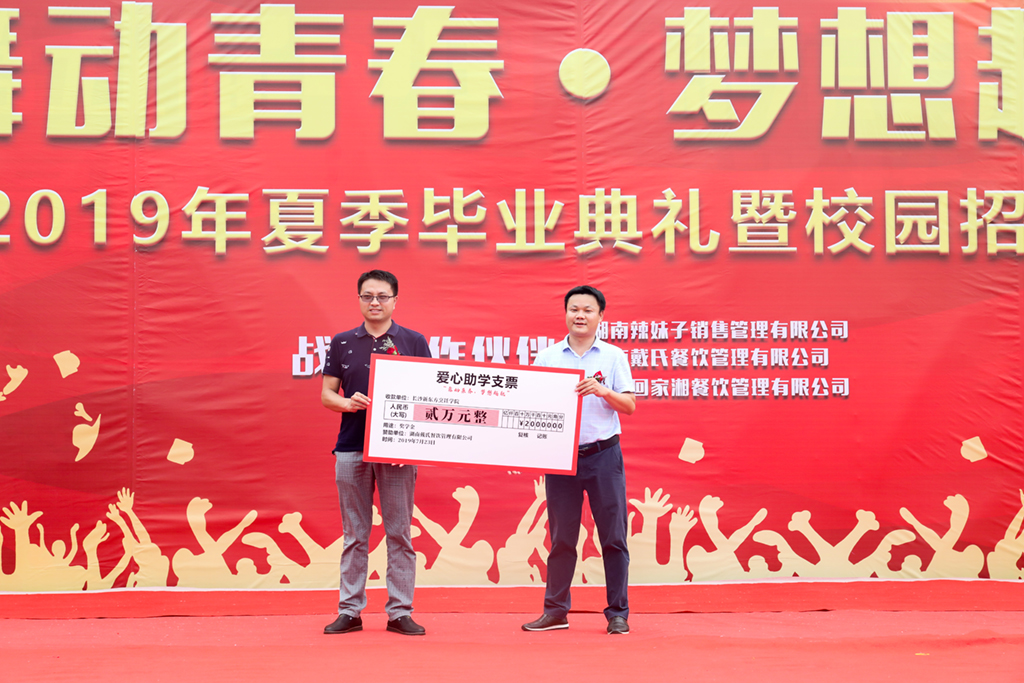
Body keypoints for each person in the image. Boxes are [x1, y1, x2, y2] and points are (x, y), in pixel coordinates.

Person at [321, 269, 431, 636]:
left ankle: (400, 612)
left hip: (397, 450)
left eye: (382, 296)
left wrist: (410, 444)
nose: (375, 302)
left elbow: (429, 398)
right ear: (359, 300)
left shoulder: (413, 341)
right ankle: (349, 610)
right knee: (355, 533)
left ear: (395, 301)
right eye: (367, 296)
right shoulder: (342, 342)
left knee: (399, 532)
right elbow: (327, 395)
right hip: (351, 447)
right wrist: (347, 403)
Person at [522, 285, 636, 635]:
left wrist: (602, 391)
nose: (580, 315)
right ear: (566, 314)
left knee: (613, 537)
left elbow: (629, 406)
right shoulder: (547, 357)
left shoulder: (613, 356)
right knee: (561, 538)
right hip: (561, 458)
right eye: (574, 309)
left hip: (603, 456)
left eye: (588, 310)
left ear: (601, 316)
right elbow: (532, 406)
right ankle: (555, 611)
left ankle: (617, 613)